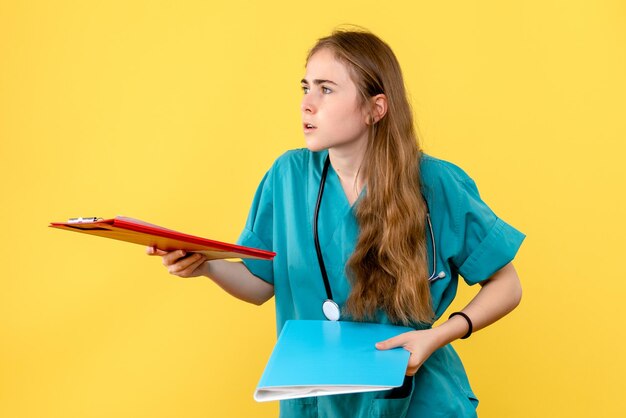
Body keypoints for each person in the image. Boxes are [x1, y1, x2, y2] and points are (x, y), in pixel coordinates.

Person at [147, 29, 525, 418]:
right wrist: (206, 266)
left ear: (375, 108)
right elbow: (261, 284)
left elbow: (507, 283)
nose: (307, 104)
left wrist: (439, 336)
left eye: (326, 90)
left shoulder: (435, 183)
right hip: (317, 401)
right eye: (305, 87)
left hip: (419, 400)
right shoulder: (286, 177)